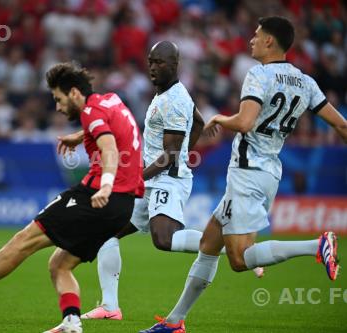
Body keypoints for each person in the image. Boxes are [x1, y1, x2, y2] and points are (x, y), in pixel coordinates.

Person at [139, 16, 346, 333]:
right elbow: (341, 125)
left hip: (248, 172)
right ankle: (174, 322)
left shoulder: (259, 75)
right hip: (269, 171)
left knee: (238, 259)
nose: (250, 39)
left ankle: (316, 246)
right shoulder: (306, 81)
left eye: (256, 35)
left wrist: (222, 117)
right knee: (209, 246)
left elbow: (246, 122)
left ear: (269, 42)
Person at [0, 62, 145, 333]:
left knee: (24, 239)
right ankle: (71, 322)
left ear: (73, 93)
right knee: (59, 265)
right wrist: (80, 137)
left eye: (58, 99)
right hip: (122, 206)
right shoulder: (111, 101)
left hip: (98, 195)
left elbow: (109, 148)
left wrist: (105, 185)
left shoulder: (91, 113)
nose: (57, 107)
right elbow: (113, 130)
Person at [56, 41, 262, 323]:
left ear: (175, 65)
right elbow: (199, 122)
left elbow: (170, 156)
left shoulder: (175, 101)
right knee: (105, 232)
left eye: (160, 63)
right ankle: (110, 306)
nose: (153, 68)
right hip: (153, 179)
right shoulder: (168, 95)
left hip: (166, 180)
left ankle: (236, 248)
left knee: (164, 240)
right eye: (151, 62)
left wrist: (137, 177)